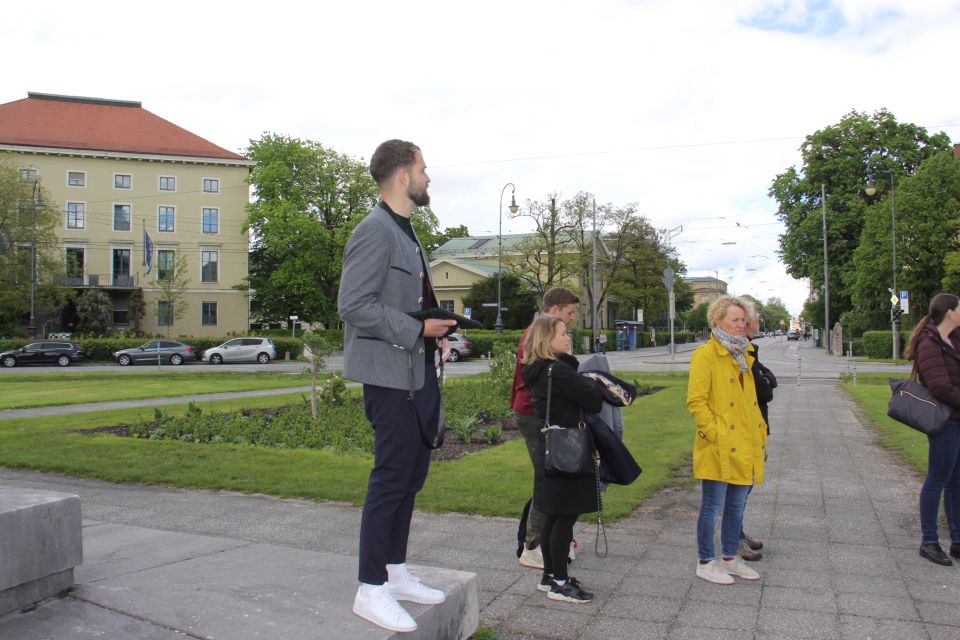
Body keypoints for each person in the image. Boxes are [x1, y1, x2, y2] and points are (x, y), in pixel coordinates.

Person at [339, 140, 454, 633]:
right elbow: (353, 304)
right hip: (389, 380)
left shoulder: (408, 233)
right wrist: (416, 331)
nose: (430, 176)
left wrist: (436, 337)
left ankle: (394, 571)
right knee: (390, 478)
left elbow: (406, 302)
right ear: (403, 176)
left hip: (417, 372)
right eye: (424, 169)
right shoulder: (375, 231)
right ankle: (370, 588)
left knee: (411, 476)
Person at [521, 315, 603, 603]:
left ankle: (549, 576)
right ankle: (559, 581)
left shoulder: (539, 370)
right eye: (563, 333)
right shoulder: (561, 370)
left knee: (552, 516)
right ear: (547, 339)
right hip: (569, 448)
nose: (568, 337)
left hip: (550, 447)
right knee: (564, 518)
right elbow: (593, 400)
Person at [687, 295, 767, 584]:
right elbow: (697, 402)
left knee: (736, 506)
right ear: (717, 320)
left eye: (742, 320)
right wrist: (715, 434)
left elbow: (751, 403)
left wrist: (759, 435)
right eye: (734, 320)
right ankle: (706, 561)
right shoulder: (706, 355)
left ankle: (731, 558)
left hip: (745, 443)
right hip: (719, 444)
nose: (740, 325)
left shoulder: (744, 354)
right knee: (712, 505)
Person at [511, 288, 580, 569]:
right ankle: (533, 546)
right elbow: (541, 376)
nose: (572, 319)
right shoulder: (537, 333)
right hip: (534, 413)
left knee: (552, 477)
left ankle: (555, 539)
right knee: (547, 479)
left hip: (538, 412)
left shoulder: (540, 330)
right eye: (570, 313)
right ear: (555, 309)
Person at [905, 293, 960, 566]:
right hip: (945, 422)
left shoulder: (953, 339)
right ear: (950, 312)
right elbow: (939, 387)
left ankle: (957, 541)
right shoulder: (930, 343)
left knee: (956, 482)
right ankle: (929, 541)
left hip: (957, 419)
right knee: (937, 480)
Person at [737, 307, 777, 561]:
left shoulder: (749, 349)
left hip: (755, 425)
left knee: (745, 487)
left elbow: (769, 381)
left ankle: (738, 534)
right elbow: (765, 389)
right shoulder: (741, 351)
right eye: (750, 320)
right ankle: (735, 540)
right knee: (739, 489)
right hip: (744, 429)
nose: (752, 323)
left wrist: (766, 380)